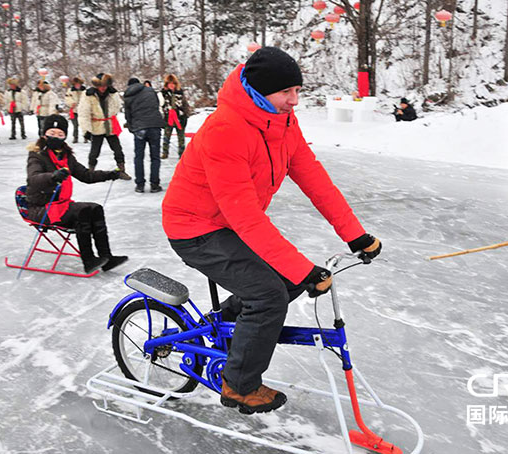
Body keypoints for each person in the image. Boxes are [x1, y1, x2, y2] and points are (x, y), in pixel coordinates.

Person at [162, 47, 382, 414]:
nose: (295, 101)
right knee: (268, 295)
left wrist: (354, 234)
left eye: (298, 91)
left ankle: (228, 328)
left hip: (230, 224)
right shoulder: (225, 129)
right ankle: (239, 384)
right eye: (286, 93)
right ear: (259, 92)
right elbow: (245, 215)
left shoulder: (281, 121)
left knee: (290, 280)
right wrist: (304, 269)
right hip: (195, 228)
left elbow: (314, 179)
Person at [26, 115, 128, 274]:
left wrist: (109, 174)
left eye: (60, 134)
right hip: (40, 207)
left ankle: (106, 257)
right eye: (52, 133)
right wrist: (53, 177)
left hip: (62, 204)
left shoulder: (66, 156)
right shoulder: (37, 155)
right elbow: (33, 179)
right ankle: (88, 260)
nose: (56, 137)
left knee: (95, 208)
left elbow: (86, 175)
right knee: (82, 212)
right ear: (44, 134)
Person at [78, 73, 131, 179]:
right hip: (96, 126)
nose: (103, 88)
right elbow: (84, 113)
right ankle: (90, 171)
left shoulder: (112, 94)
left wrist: (114, 98)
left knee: (117, 149)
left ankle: (121, 169)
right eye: (100, 86)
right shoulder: (88, 95)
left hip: (110, 125)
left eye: (105, 86)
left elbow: (116, 107)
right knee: (94, 151)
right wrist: (86, 130)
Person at [123, 77, 164, 193]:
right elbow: (156, 105)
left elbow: (128, 114)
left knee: (139, 157)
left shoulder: (128, 95)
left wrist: (132, 127)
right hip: (154, 126)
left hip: (140, 128)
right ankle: (155, 184)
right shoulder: (150, 90)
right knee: (155, 157)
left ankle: (140, 184)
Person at [159, 74, 190, 159]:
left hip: (179, 118)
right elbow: (160, 105)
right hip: (168, 118)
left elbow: (185, 105)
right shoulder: (163, 94)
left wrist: (186, 115)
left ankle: (182, 153)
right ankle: (165, 153)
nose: (171, 85)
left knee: (181, 137)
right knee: (166, 137)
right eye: (169, 83)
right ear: (167, 85)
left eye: (173, 83)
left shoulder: (180, 93)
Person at [64, 76, 87, 143]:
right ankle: (75, 137)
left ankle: (86, 137)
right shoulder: (70, 90)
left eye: (78, 84)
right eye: (76, 84)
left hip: (83, 110)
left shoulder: (85, 91)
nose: (77, 85)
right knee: (75, 125)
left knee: (84, 125)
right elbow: (67, 98)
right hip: (74, 110)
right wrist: (71, 103)